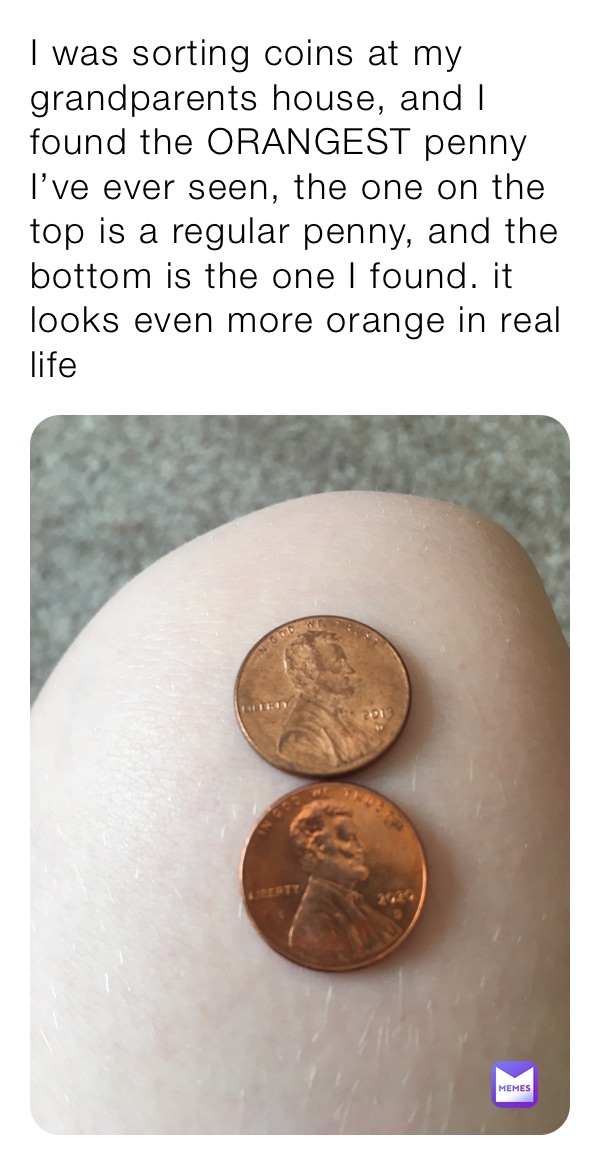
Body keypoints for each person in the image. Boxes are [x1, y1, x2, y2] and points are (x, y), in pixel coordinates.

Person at [288, 799, 402, 965]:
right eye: (347, 838)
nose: (360, 847)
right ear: (316, 848)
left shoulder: (355, 905)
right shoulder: (315, 923)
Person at [277, 631, 373, 769]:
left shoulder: (339, 716)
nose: (349, 670)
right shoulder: (301, 736)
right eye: (337, 663)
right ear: (310, 670)